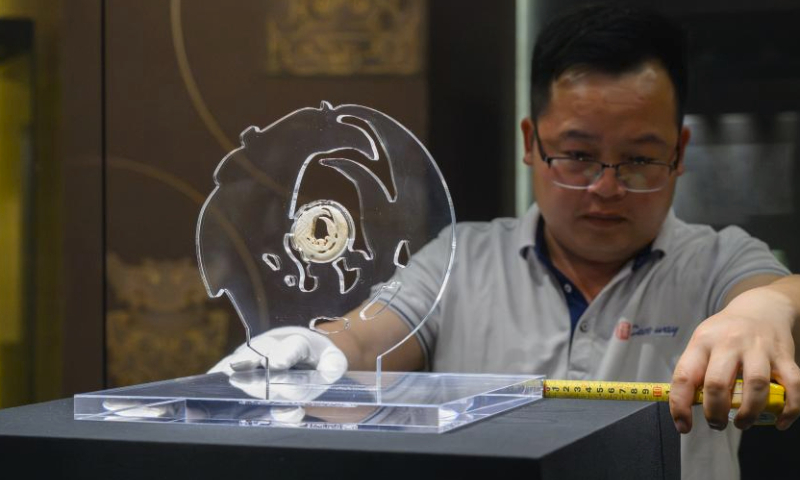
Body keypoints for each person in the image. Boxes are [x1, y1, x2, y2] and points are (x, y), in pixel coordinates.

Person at [210, 4, 800, 479]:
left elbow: (779, 293)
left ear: (679, 152)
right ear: (530, 142)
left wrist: (764, 310)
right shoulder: (462, 260)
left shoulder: (718, 259)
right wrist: (320, 347)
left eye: (640, 159)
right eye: (577, 155)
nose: (606, 187)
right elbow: (370, 337)